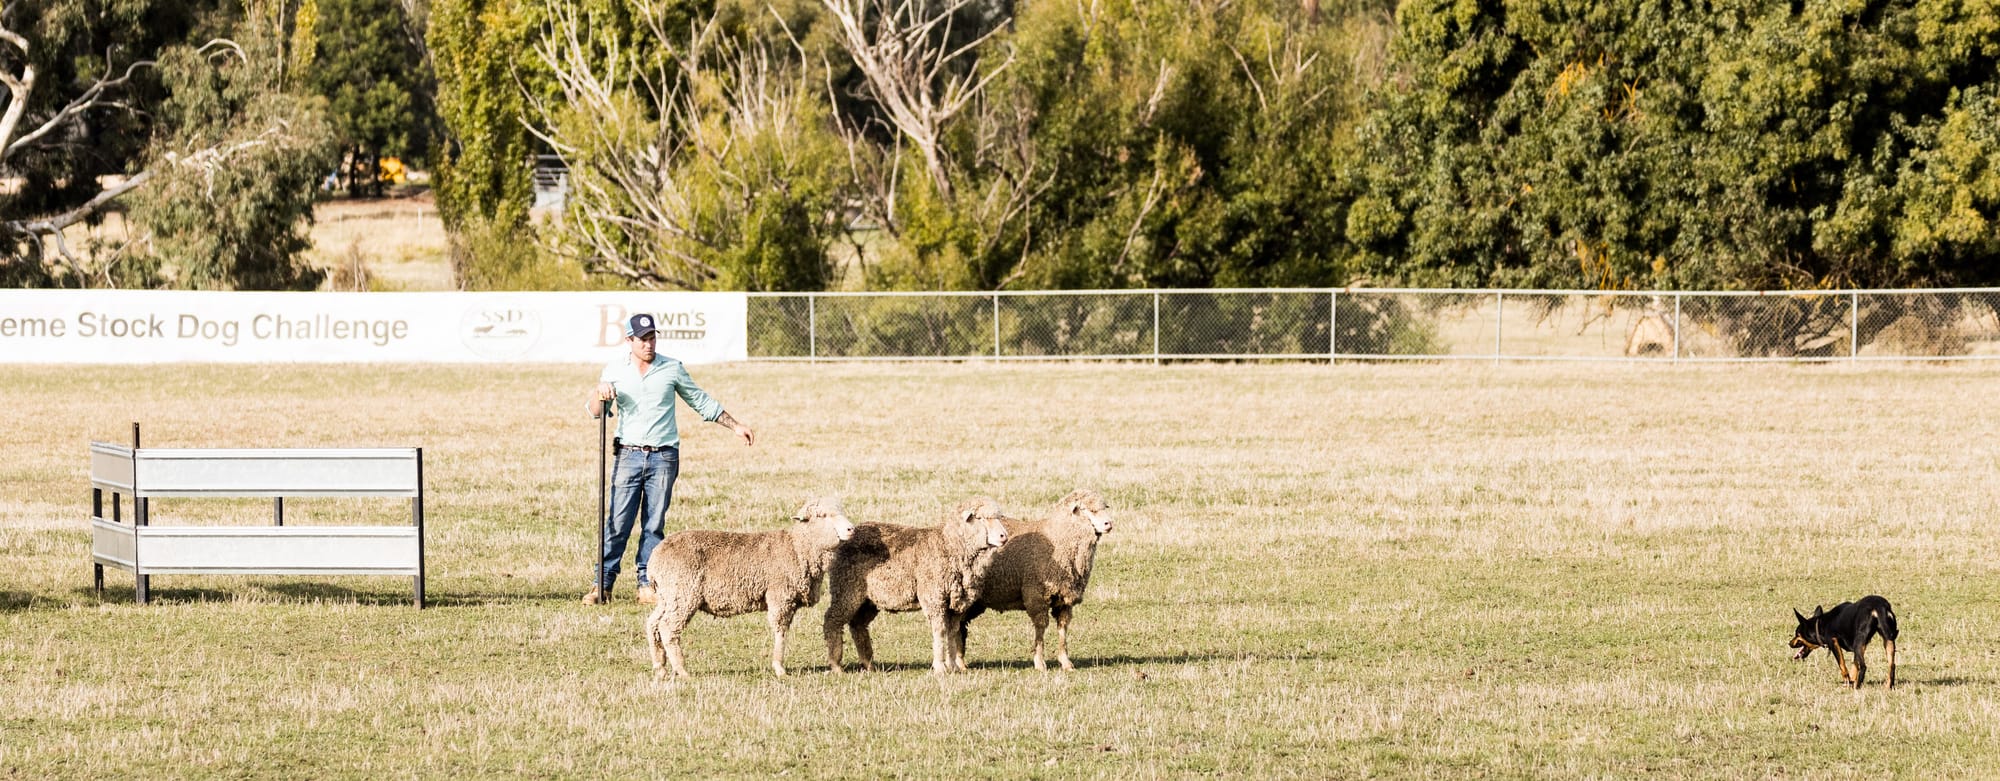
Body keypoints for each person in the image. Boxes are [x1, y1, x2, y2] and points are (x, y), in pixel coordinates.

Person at [586, 313, 754, 605]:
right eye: (643, 339)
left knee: (654, 523)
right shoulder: (614, 370)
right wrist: (598, 394)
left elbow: (700, 400)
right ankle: (603, 584)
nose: (649, 344)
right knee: (618, 521)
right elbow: (596, 412)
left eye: (652, 337)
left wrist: (735, 425)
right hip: (628, 453)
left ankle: (646, 583)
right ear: (629, 341)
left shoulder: (671, 368)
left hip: (664, 456)